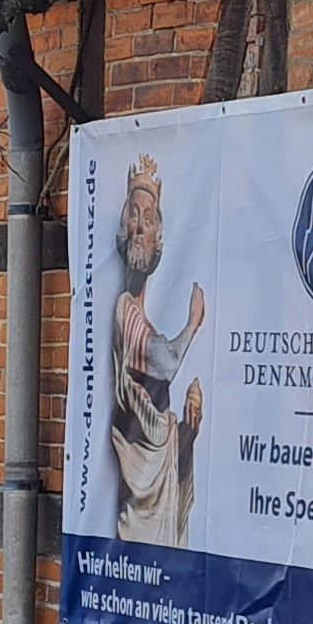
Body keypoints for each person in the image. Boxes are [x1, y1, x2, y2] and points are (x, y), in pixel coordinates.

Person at [108, 155, 203, 545]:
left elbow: (158, 423)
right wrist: (193, 323)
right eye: (133, 216)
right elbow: (164, 363)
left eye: (148, 219)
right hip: (139, 499)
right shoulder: (124, 311)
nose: (139, 228)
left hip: (159, 488)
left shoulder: (142, 317)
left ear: (159, 238)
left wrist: (187, 433)